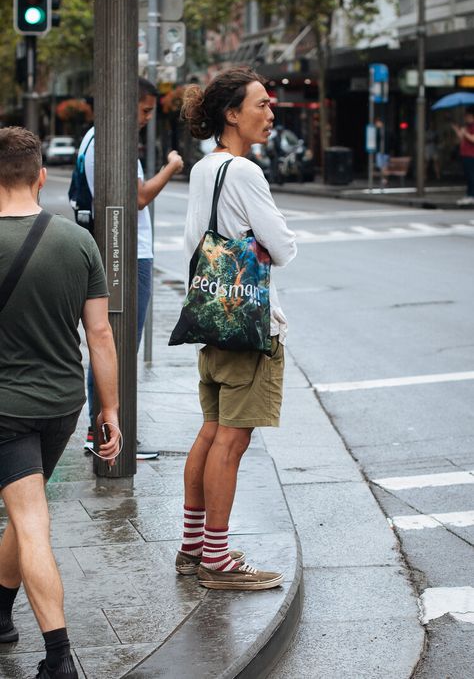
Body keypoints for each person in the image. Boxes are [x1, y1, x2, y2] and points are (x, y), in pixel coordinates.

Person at [0, 127, 120, 678]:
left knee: (29, 520)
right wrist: (110, 411)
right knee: (24, 511)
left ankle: (59, 657)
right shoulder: (79, 241)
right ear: (41, 176)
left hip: (5, 408)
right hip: (63, 403)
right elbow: (100, 336)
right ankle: (1, 615)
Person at [174, 67, 297, 590]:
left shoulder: (206, 167)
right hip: (249, 326)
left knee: (210, 432)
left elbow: (191, 245)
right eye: (261, 105)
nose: (270, 114)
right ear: (232, 114)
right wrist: (264, 245)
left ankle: (194, 546)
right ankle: (218, 561)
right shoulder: (244, 172)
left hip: (213, 317)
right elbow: (284, 247)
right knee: (232, 441)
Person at [80, 76, 184, 454]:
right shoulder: (112, 143)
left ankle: (102, 430)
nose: (146, 118)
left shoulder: (93, 138)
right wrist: (172, 166)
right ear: (126, 105)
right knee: (120, 345)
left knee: (113, 344)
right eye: (144, 111)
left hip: (117, 250)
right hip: (127, 254)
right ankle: (107, 433)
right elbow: (139, 197)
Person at [452, 109, 474, 205]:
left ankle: (472, 195)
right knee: (468, 176)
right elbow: (461, 138)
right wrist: (457, 129)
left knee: (471, 176)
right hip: (465, 154)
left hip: (471, 154)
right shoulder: (467, 127)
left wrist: (465, 133)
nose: (466, 118)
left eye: (467, 116)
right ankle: (469, 194)